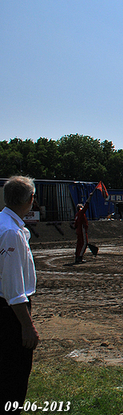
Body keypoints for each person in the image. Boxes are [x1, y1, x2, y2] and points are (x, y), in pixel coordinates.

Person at [0, 176, 39, 413]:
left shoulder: (5, 224)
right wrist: (27, 325)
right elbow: (14, 289)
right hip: (9, 312)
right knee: (14, 374)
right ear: (30, 199)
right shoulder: (11, 233)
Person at [73, 189, 95, 264]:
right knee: (84, 243)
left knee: (79, 243)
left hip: (78, 231)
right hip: (82, 230)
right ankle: (80, 257)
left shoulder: (77, 215)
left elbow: (74, 225)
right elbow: (86, 205)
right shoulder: (81, 213)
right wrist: (90, 197)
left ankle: (77, 256)